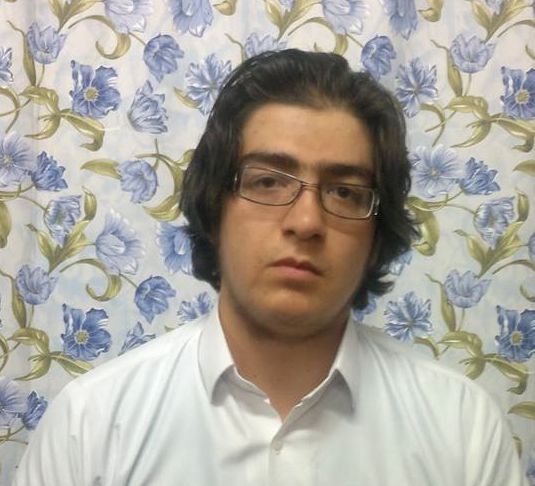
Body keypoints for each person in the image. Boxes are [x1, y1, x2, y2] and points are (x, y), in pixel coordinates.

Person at [13, 49, 527, 486]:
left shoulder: (462, 428)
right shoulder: (92, 425)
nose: (307, 221)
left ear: (376, 236)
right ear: (214, 208)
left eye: (345, 192)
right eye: (267, 182)